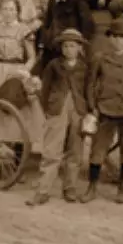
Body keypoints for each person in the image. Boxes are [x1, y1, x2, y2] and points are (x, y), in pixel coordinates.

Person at [80, 16, 123, 205]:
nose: (118, 40)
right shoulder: (100, 58)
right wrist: (93, 107)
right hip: (105, 110)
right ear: (110, 38)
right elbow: (90, 84)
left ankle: (122, 188)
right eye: (115, 36)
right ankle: (91, 188)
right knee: (98, 150)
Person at [27, 28, 89, 206]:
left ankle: (69, 188)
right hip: (57, 109)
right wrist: (48, 108)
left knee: (75, 150)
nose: (69, 49)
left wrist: (88, 110)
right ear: (61, 48)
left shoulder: (84, 67)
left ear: (79, 48)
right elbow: (45, 89)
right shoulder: (54, 65)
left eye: (72, 46)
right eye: (66, 46)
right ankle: (43, 190)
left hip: (78, 109)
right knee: (52, 151)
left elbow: (88, 89)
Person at [0, 0, 44, 160]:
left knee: (16, 114)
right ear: (0, 11)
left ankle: (17, 161)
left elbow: (32, 57)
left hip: (15, 72)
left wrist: (24, 71)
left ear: (17, 12)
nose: (8, 13)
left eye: (12, 9)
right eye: (5, 9)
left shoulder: (24, 30)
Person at [37, 0, 94, 74]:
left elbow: (87, 24)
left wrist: (80, 43)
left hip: (70, 43)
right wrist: (43, 41)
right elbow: (47, 23)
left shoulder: (78, 0)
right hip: (53, 44)